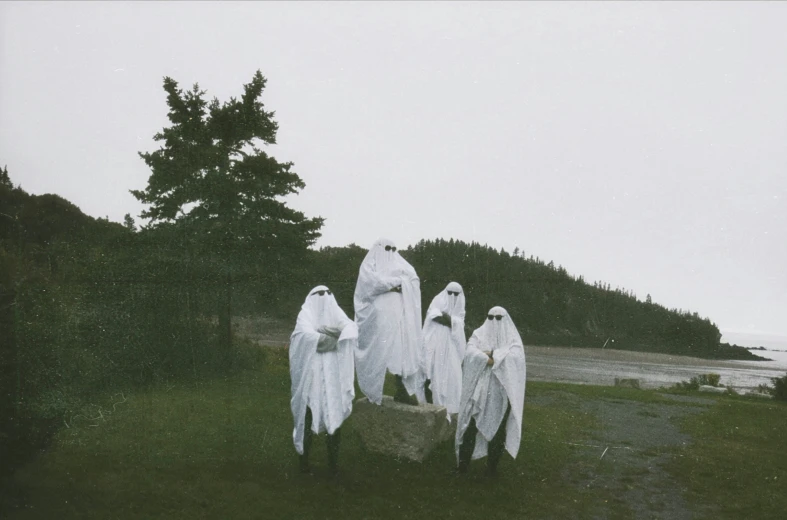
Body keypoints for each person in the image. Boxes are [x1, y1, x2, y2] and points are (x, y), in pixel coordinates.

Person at [289, 285, 357, 476]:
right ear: (312, 296)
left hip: (332, 377)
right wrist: (336, 338)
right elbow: (307, 337)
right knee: (307, 416)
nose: (324, 297)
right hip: (312, 379)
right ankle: (303, 462)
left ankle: (333, 465)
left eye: (328, 294)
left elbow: (351, 328)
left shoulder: (336, 312)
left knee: (334, 419)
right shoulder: (305, 314)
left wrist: (325, 330)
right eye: (320, 294)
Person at [455, 306, 526, 477]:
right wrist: (492, 359)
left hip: (500, 393)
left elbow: (516, 357)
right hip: (478, 391)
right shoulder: (479, 333)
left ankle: (492, 469)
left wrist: (493, 353)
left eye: (499, 318)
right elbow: (470, 352)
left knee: (498, 430)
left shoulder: (512, 339)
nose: (495, 321)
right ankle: (462, 467)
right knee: (470, 426)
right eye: (491, 317)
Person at [353, 238, 423, 405]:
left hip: (400, 317)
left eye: (393, 248)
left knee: (401, 351)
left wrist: (390, 285)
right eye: (387, 248)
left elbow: (413, 279)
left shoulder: (402, 264)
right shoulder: (369, 265)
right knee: (378, 352)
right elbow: (370, 284)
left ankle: (401, 389)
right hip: (378, 318)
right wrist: (397, 283)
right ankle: (373, 390)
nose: (390, 252)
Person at [421, 281, 467, 417]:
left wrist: (448, 319)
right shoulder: (437, 300)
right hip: (435, 346)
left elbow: (458, 323)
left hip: (452, 349)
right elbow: (433, 317)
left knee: (452, 376)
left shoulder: (461, 308)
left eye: (455, 294)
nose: (452, 297)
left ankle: (450, 410)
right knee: (433, 375)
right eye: (449, 293)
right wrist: (451, 321)